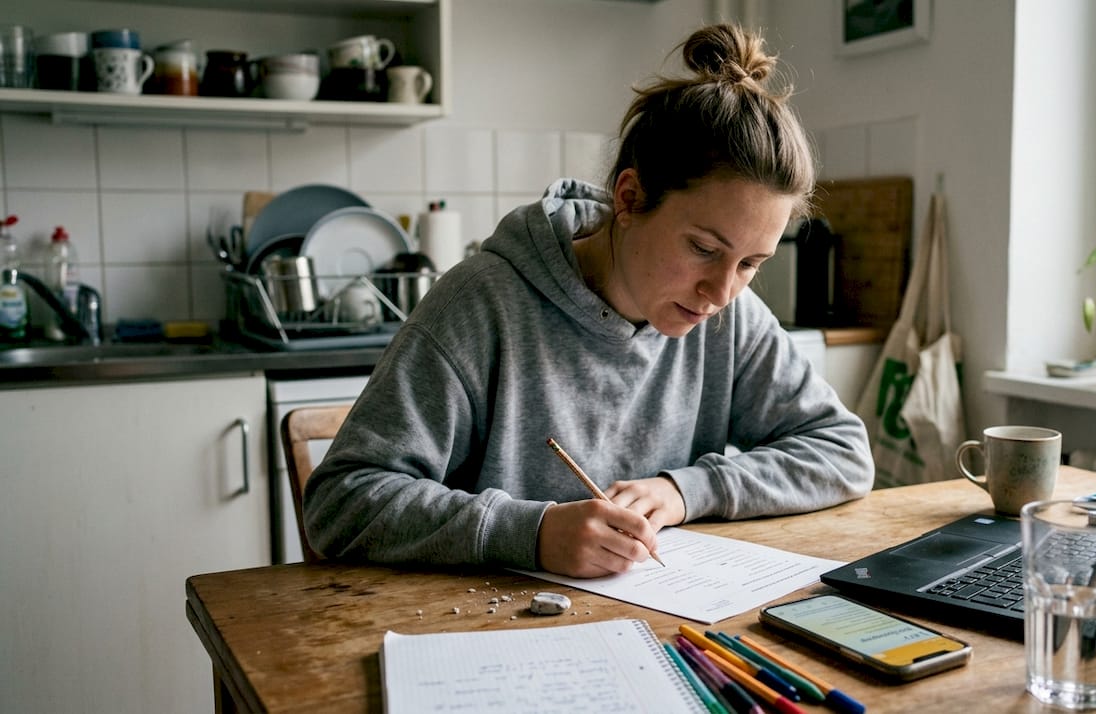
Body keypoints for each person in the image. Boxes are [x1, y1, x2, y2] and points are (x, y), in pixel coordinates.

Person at [304, 23, 874, 578]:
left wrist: (686, 490)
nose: (721, 293)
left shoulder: (729, 317)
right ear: (628, 198)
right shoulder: (482, 304)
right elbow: (340, 502)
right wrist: (529, 533)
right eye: (703, 248)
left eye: (751, 264)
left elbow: (843, 452)